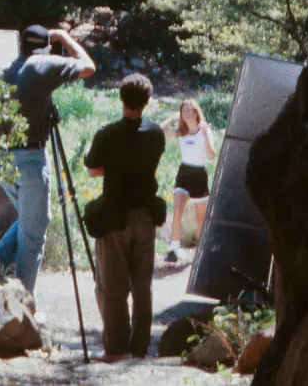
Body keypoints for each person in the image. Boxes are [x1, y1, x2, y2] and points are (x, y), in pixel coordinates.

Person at [0, 24, 95, 294]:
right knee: (33, 236)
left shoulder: (3, 71)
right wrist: (64, 36)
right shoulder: (44, 65)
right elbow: (89, 67)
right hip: (30, 159)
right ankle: (24, 302)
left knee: (34, 220)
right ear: (45, 48)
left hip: (3, 159)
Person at [84, 73, 166, 360]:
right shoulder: (155, 134)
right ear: (147, 101)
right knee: (143, 286)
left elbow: (93, 170)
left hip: (115, 217)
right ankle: (139, 347)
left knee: (113, 285)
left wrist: (113, 167)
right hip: (145, 215)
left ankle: (117, 347)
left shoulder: (107, 134)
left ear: (121, 99)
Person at [160, 98, 217, 263]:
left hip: (199, 174)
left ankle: (201, 252)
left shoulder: (204, 130)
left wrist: (205, 136)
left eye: (189, 110)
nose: (185, 113)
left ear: (196, 113)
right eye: (183, 110)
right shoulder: (182, 131)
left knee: (200, 218)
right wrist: (172, 118)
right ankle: (174, 250)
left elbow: (212, 156)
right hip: (184, 173)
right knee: (177, 210)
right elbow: (161, 131)